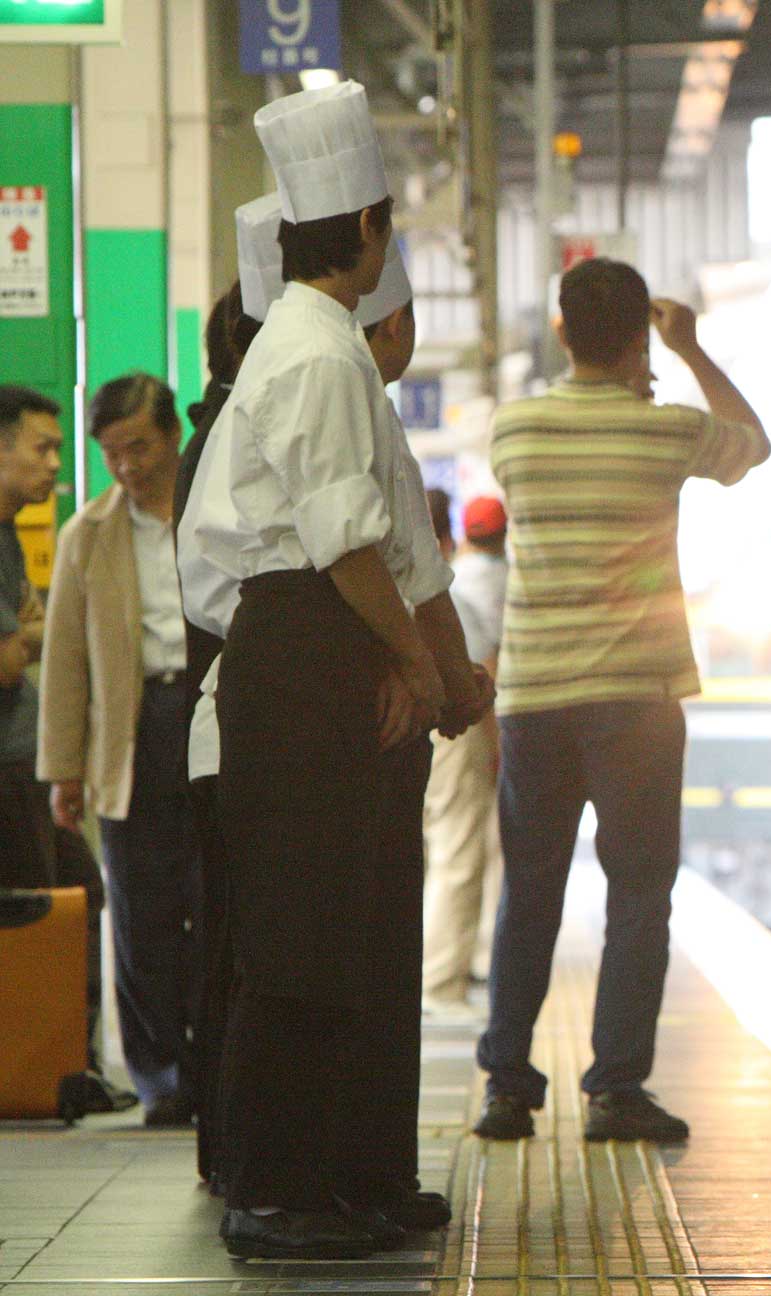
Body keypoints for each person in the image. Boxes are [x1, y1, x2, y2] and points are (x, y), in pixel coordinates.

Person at [177, 82, 490, 1260]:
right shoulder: (313, 356)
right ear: (363, 227)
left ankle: (333, 1180)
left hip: (323, 646)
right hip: (301, 650)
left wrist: (424, 669)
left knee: (334, 937)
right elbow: (348, 542)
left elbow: (383, 555)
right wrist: (413, 662)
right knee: (296, 939)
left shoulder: (318, 349)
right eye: (388, 222)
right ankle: (271, 1195)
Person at [473, 257, 768, 1143]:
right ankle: (613, 1091)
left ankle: (507, 1088)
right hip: (636, 701)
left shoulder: (514, 430)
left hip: (535, 698)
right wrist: (689, 352)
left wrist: (635, 367)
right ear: (642, 331)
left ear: (561, 330)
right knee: (638, 893)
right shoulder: (666, 431)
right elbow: (751, 444)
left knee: (529, 891)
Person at [38, 373, 199, 1129]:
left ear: (171, 435)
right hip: (129, 733)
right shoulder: (88, 535)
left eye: (138, 446)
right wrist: (62, 770)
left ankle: (213, 1066)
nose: (128, 467)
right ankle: (162, 1078)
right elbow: (66, 664)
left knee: (212, 897)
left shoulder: (215, 512)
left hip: (209, 718)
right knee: (139, 911)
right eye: (111, 454)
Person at [179, 191, 281, 1193]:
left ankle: (229, 1159)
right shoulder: (225, 441)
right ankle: (236, 1163)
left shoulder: (212, 434)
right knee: (242, 955)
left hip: (229, 726)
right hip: (238, 727)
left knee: (233, 946)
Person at [0, 386, 136, 1118]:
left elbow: (25, 637)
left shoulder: (10, 533)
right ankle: (42, 1073)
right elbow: (9, 657)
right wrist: (26, 636)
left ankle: (67, 1065)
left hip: (24, 762)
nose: (56, 463)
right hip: (8, 770)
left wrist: (25, 634)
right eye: (41, 447)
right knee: (40, 919)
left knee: (80, 896)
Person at [421, 494, 507, 1018]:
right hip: (452, 728)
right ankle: (441, 981)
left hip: (415, 726)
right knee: (459, 850)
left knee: (437, 850)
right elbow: (476, 667)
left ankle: (434, 974)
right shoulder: (439, 593)